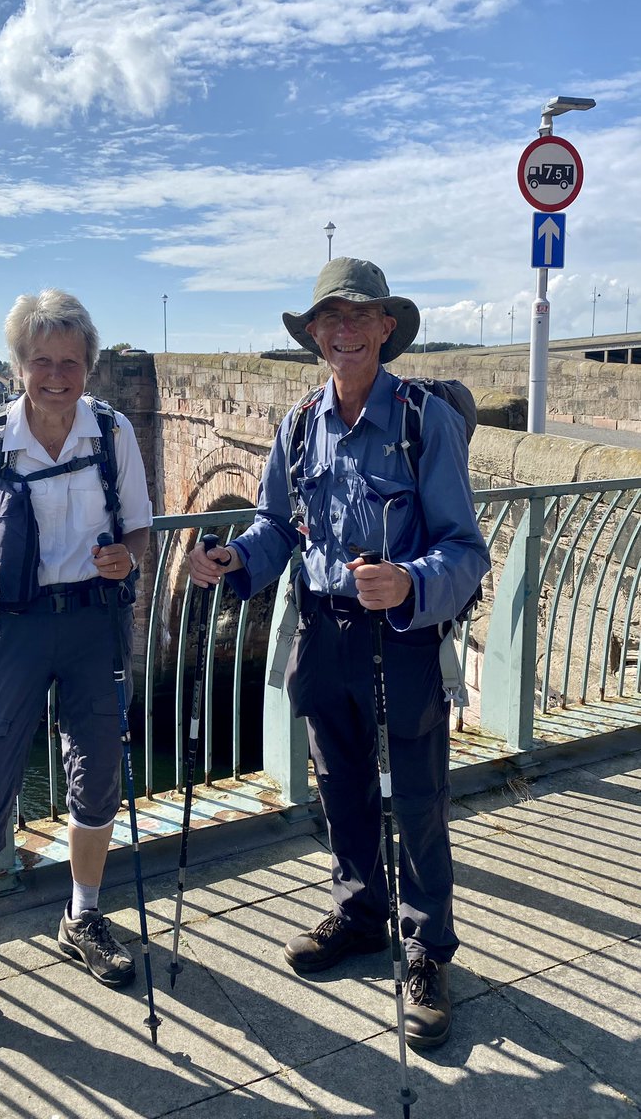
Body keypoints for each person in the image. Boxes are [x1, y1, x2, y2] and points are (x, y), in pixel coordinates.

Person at [188, 256, 489, 1050]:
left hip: (402, 638)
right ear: (315, 334)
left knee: (418, 801)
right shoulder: (296, 426)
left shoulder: (425, 422)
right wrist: (234, 561)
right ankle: (360, 916)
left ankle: (427, 953)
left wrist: (410, 580)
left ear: (387, 329)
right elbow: (276, 527)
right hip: (322, 634)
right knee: (342, 789)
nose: (344, 330)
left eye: (360, 316)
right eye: (331, 319)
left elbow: (466, 550)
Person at [0, 288, 152, 1062]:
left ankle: (80, 917)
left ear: (88, 368)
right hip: (8, 631)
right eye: (40, 361)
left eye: (69, 362)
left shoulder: (112, 433)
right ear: (18, 367)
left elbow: (140, 527)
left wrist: (126, 557)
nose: (55, 375)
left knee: (98, 775)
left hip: (89, 626)